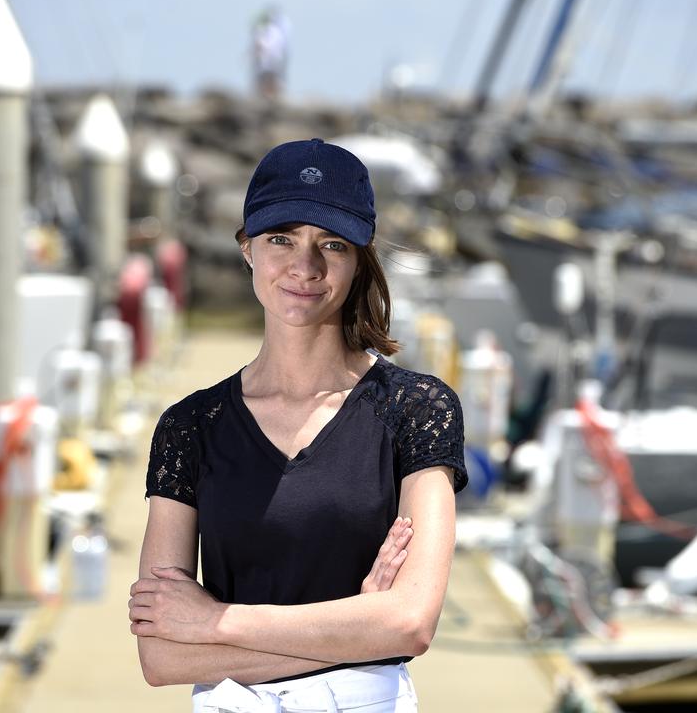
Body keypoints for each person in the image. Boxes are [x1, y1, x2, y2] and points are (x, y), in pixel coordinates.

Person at [129, 138, 466, 712]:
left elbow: (410, 624)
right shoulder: (189, 427)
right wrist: (358, 631)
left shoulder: (417, 410)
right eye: (280, 239)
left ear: (361, 259)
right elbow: (161, 658)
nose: (304, 267)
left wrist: (214, 621)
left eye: (330, 244)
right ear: (247, 250)